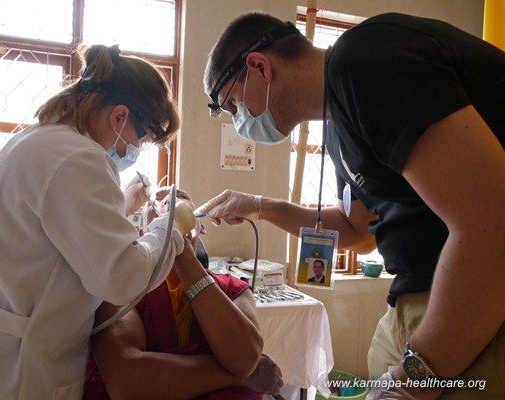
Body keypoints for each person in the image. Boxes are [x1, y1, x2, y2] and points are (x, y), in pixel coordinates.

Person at [198, 11, 505, 399]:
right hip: (413, 300)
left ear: (259, 66)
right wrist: (261, 206)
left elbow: (491, 222)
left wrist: (413, 380)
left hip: (477, 301)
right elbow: (358, 232)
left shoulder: (364, 58)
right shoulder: (339, 124)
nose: (239, 121)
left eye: (233, 105)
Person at [0, 44, 185, 400]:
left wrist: (122, 205)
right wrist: (171, 229)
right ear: (119, 116)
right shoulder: (82, 159)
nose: (135, 149)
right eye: (141, 139)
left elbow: (52, 234)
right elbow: (122, 277)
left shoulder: (37, 139)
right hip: (17, 369)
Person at [83, 191, 284, 399]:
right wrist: (238, 378)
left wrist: (186, 261)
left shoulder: (232, 289)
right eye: (162, 208)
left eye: (182, 210)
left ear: (201, 228)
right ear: (143, 231)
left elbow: (244, 359)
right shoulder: (122, 288)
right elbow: (128, 381)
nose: (171, 211)